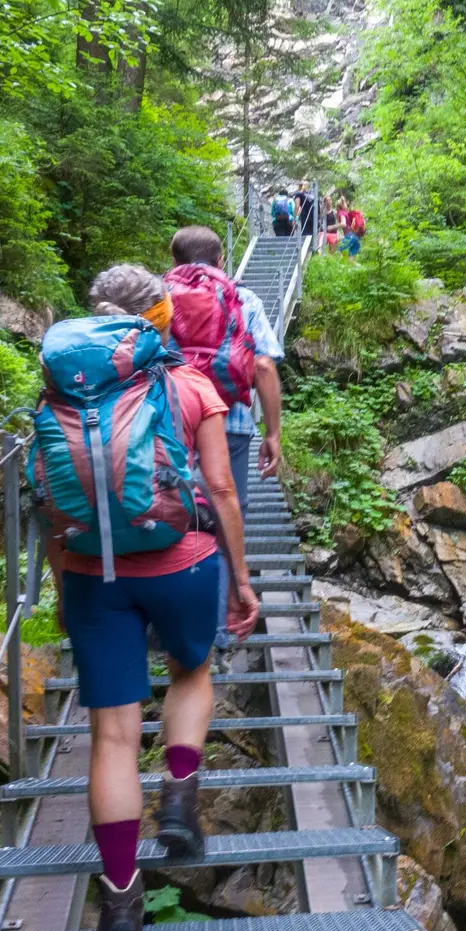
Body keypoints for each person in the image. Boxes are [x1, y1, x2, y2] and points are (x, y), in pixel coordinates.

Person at [42, 264, 259, 931]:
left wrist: (63, 589)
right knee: (191, 672)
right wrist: (241, 579)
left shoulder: (62, 392)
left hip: (91, 574)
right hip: (183, 562)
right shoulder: (189, 384)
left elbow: (49, 500)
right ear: (160, 320)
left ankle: (119, 909)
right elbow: (221, 489)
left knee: (112, 738)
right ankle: (179, 799)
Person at [164, 225, 284, 640]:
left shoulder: (157, 297)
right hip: (230, 421)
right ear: (220, 260)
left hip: (170, 425)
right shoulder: (243, 297)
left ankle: (165, 625)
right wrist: (273, 434)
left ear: (174, 261)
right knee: (225, 511)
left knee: (170, 510)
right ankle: (217, 628)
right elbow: (263, 365)